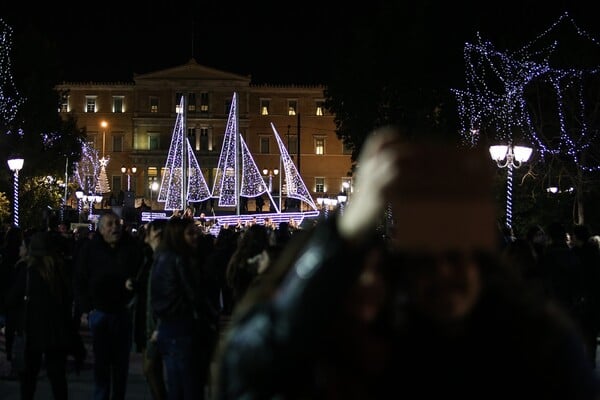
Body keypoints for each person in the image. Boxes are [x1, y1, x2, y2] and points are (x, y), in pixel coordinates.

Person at [212, 126, 600, 400]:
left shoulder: (537, 346)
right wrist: (345, 231)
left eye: (456, 256)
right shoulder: (386, 355)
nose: (444, 272)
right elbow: (248, 369)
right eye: (424, 263)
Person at [74, 212, 145, 400]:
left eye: (117, 224)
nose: (115, 227)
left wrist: (133, 285)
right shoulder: (90, 250)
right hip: (99, 311)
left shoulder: (130, 248)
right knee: (102, 363)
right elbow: (80, 280)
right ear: (101, 228)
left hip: (123, 311)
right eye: (110, 224)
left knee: (121, 364)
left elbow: (140, 273)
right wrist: (87, 308)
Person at [151, 218, 215, 399]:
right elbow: (194, 295)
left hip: (173, 328)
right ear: (178, 236)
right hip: (183, 329)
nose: (196, 236)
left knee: (178, 386)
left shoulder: (164, 257)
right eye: (190, 233)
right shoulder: (179, 260)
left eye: (196, 232)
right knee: (189, 388)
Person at [5, 231, 75, 399]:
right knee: (58, 380)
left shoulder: (28, 270)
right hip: (55, 332)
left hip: (31, 330)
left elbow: (11, 299)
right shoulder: (59, 269)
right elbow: (67, 301)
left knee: (28, 381)